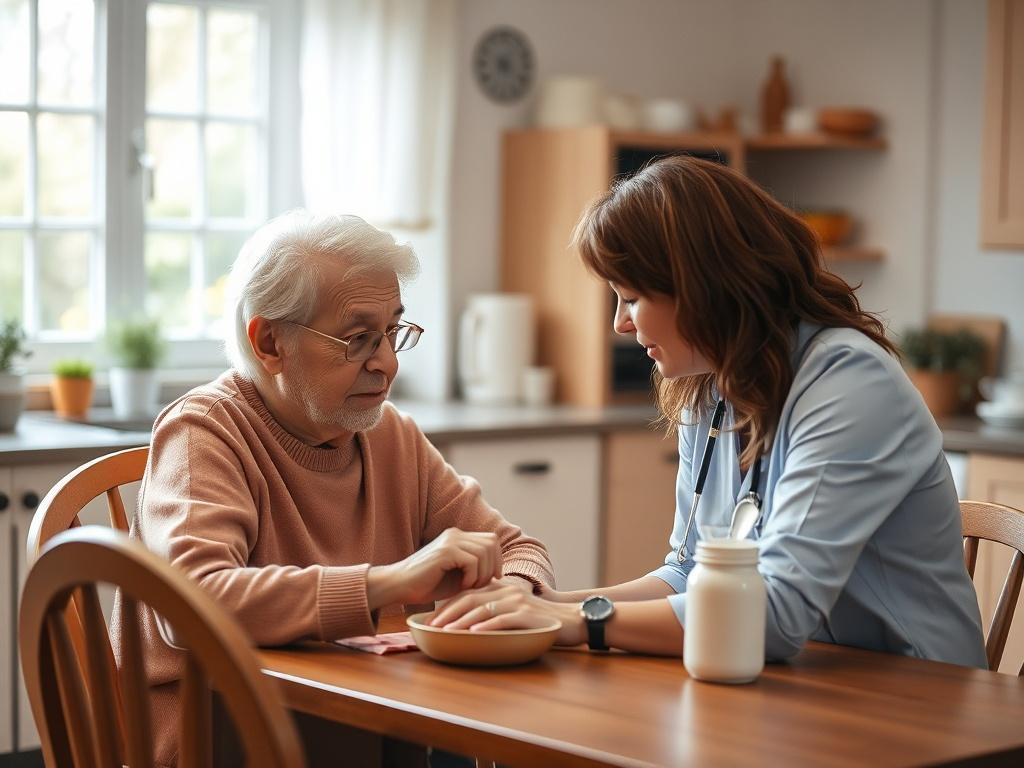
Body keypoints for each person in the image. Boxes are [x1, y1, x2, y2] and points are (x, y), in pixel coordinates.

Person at [432, 155, 986, 669]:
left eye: (631, 298)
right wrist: (546, 603)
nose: (620, 326)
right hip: (801, 682)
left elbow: (772, 614)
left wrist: (575, 621)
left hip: (916, 696)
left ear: (702, 287)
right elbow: (689, 573)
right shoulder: (712, 384)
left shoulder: (848, 381)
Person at [112, 211, 554, 767]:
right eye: (358, 339)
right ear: (269, 341)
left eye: (393, 331)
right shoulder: (203, 432)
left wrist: (514, 590)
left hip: (360, 726)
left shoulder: (390, 435)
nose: (388, 364)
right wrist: (387, 582)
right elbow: (193, 604)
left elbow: (520, 549)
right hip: (222, 744)